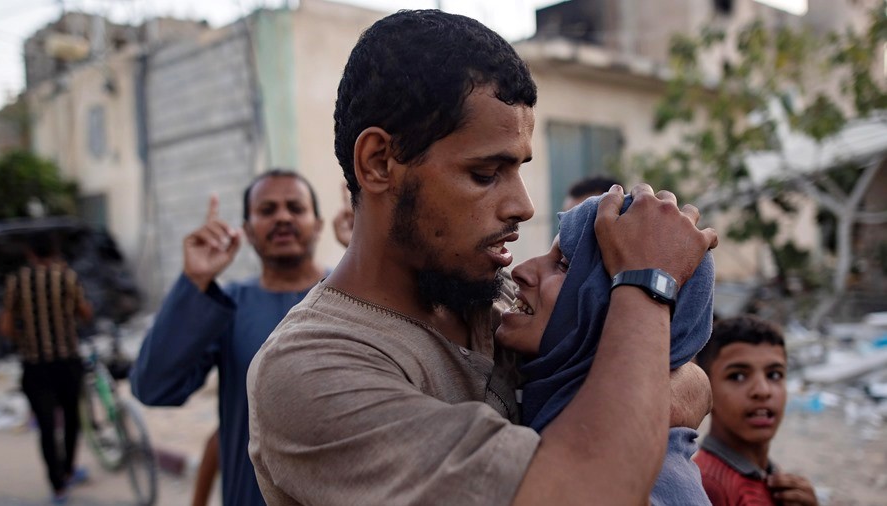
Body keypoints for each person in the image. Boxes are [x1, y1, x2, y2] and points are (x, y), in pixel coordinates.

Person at [247, 9, 718, 505]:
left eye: (519, 169)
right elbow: (591, 490)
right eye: (485, 174)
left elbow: (690, 380)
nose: (524, 205)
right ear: (380, 163)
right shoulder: (312, 369)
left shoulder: (494, 302)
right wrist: (649, 282)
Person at [495, 194, 716, 505]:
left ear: (613, 301)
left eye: (563, 265)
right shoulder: (548, 401)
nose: (521, 270)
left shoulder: (652, 484)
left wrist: (646, 282)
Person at [130, 169, 327, 506]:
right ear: (248, 231)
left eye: (295, 208)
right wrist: (195, 282)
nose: (282, 216)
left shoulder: (354, 296)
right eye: (267, 210)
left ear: (318, 224)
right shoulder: (227, 305)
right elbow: (153, 386)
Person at [0, 233, 92, 504]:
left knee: (47, 426)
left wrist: (25, 337)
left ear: (30, 253)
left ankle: (58, 487)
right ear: (55, 251)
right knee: (72, 419)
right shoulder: (67, 278)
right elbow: (85, 314)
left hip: (35, 365)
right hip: (67, 362)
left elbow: (5, 328)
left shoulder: (16, 282)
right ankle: (69, 469)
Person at [694, 315, 819, 506]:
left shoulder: (771, 476)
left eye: (774, 375)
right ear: (706, 388)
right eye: (737, 376)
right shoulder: (708, 487)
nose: (762, 391)